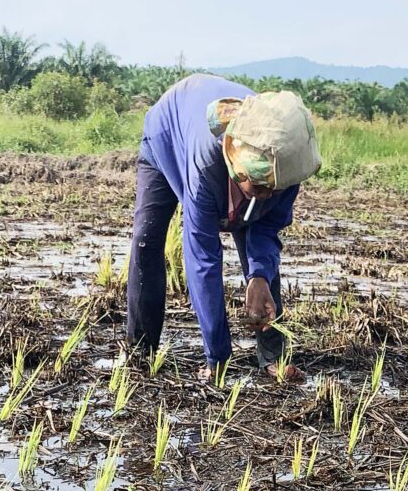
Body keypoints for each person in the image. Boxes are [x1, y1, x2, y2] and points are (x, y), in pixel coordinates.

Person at [127, 73, 320, 379]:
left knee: (261, 252)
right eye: (257, 186)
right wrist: (218, 357)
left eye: (275, 189)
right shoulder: (206, 166)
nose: (268, 196)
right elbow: (203, 259)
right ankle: (140, 350)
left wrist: (259, 275)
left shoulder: (285, 165)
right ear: (234, 164)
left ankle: (273, 356)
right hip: (168, 135)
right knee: (147, 240)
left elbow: (267, 228)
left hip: (252, 160)